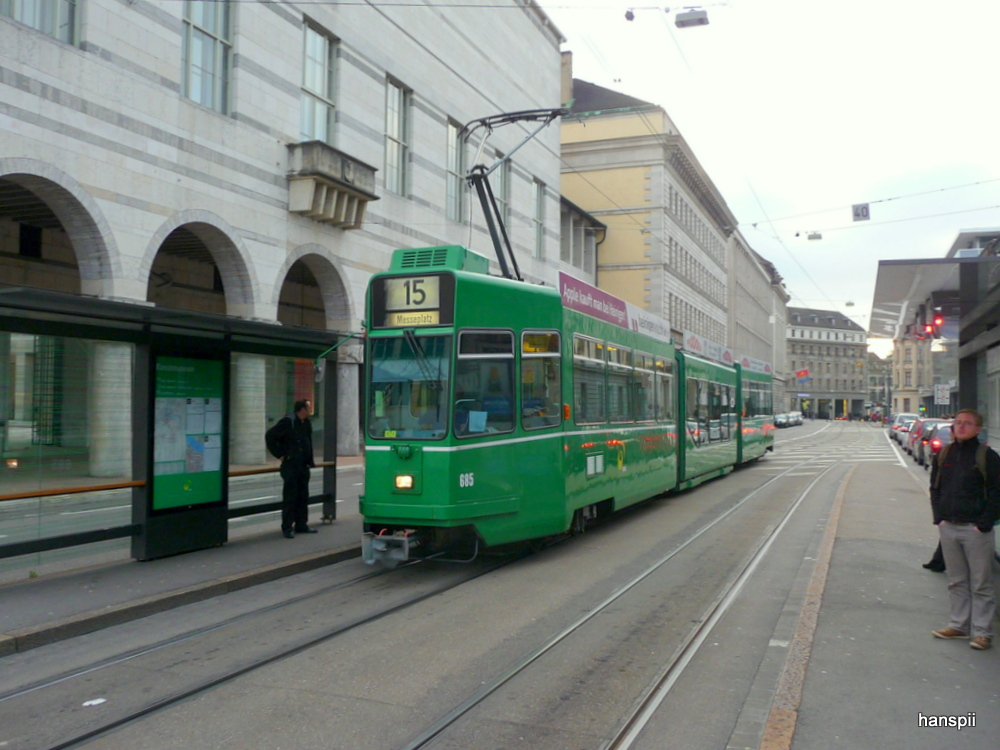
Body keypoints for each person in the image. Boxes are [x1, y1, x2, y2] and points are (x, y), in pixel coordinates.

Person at [929, 409, 999, 650]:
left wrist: (984, 523)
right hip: (949, 526)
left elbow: (996, 492)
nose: (961, 427)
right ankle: (959, 625)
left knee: (981, 583)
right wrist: (939, 518)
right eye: (957, 423)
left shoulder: (986, 456)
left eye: (967, 423)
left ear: (978, 429)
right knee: (956, 580)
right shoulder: (945, 453)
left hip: (975, 529)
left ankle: (982, 632)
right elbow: (935, 487)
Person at [266, 399, 318, 539]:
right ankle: (287, 527)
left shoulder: (306, 423)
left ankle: (301, 524)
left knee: (302, 496)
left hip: (303, 465)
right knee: (290, 497)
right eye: (308, 408)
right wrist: (280, 455)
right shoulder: (288, 422)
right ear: (302, 410)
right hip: (291, 466)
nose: (310, 410)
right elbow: (270, 436)